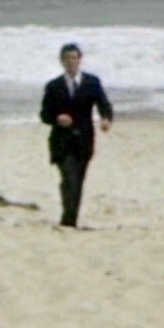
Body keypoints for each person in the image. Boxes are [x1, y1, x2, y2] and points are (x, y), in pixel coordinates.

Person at [39, 43, 113, 228]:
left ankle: (70, 218)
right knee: (69, 177)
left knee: (77, 181)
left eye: (74, 57)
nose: (71, 61)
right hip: (61, 141)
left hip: (84, 139)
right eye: (67, 58)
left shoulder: (92, 82)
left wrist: (106, 119)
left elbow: (104, 104)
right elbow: (44, 114)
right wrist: (57, 118)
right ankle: (68, 221)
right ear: (61, 61)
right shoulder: (53, 86)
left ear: (80, 60)